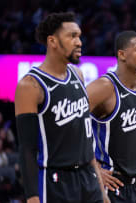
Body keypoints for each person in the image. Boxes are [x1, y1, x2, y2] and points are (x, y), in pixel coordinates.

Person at [14, 12, 108, 203]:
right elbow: (27, 149)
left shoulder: (78, 74)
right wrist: (32, 197)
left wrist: (101, 189)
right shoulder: (31, 86)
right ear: (53, 41)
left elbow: (86, 138)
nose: (79, 42)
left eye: (79, 36)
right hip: (56, 181)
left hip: (88, 177)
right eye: (72, 36)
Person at [87, 30, 136, 202]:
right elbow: (71, 126)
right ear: (122, 54)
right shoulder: (103, 87)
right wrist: (93, 168)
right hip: (110, 185)